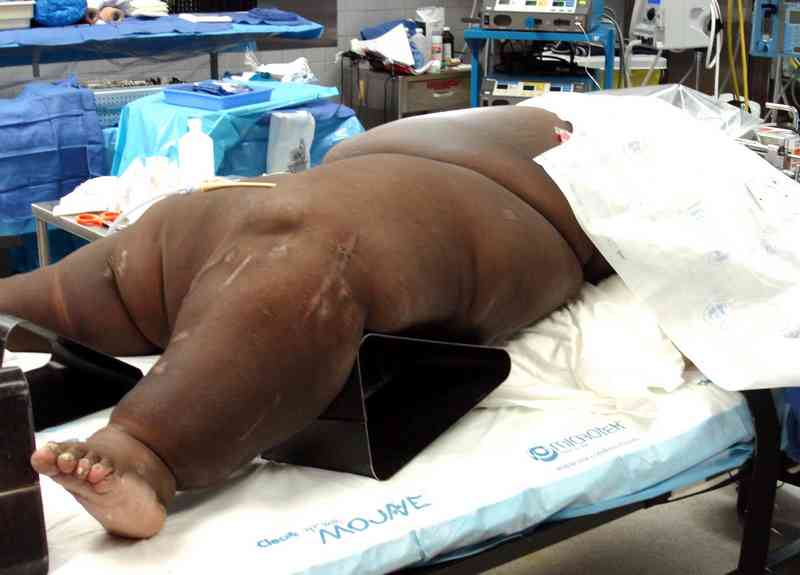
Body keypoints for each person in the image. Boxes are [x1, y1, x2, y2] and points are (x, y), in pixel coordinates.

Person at [0, 105, 611, 539]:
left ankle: (150, 448)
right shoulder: (608, 139)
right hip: (327, 201)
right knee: (294, 253)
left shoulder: (594, 148)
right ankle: (143, 444)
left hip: (316, 205)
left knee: (298, 256)